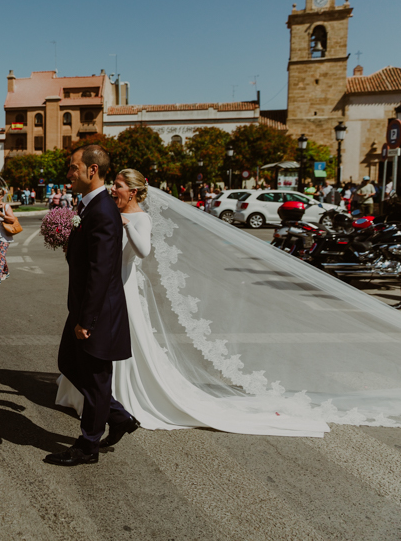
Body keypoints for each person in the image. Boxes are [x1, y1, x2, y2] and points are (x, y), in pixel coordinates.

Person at [56, 168, 331, 439]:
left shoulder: (139, 218)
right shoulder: (106, 213)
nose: (113, 189)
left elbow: (143, 251)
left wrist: (126, 225)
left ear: (134, 191)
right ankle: (105, 406)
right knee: (93, 354)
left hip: (122, 286)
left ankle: (119, 402)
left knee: (114, 350)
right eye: (113, 184)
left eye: (118, 185)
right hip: (109, 286)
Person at [44, 145, 137, 467]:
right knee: (68, 363)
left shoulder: (102, 211)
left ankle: (88, 446)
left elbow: (102, 270)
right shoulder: (90, 207)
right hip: (84, 307)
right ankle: (118, 416)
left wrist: (87, 319)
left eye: (73, 168)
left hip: (96, 312)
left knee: (96, 380)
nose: (68, 174)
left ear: (91, 170)